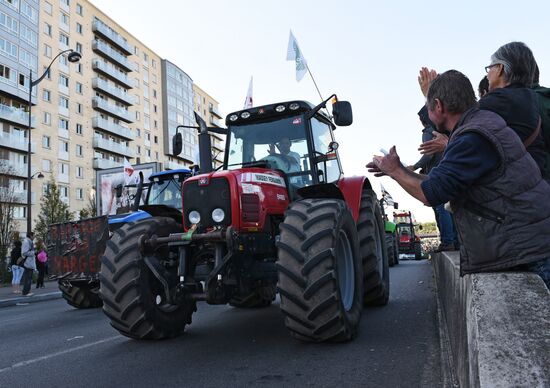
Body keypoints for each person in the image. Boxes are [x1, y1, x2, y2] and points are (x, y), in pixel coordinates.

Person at [367, 70, 550, 289]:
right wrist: (396, 170)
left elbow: (431, 192)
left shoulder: (471, 137)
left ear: (438, 106)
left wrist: (396, 171)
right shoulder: (480, 124)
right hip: (532, 245)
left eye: (427, 106)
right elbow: (440, 181)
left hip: (530, 254)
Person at [481, 41, 550, 181]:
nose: (488, 75)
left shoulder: (499, 101)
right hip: (540, 182)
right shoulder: (532, 98)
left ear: (500, 68)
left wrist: (431, 96)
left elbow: (458, 118)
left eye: (490, 68)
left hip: (519, 188)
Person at [20, 232, 37, 296]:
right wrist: (33, 252)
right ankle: (26, 292)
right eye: (33, 236)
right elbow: (24, 252)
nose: (34, 237)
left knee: (29, 277)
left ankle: (27, 291)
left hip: (29, 262)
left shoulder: (28, 241)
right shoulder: (26, 242)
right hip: (27, 262)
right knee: (28, 278)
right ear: (30, 236)